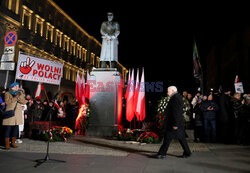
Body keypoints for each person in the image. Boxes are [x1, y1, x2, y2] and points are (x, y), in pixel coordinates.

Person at [156, 86, 191, 159]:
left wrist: (175, 124)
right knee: (181, 138)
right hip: (176, 122)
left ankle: (162, 153)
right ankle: (187, 152)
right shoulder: (177, 97)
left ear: (172, 90)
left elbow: (176, 112)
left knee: (167, 138)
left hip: (174, 123)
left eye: (168, 91)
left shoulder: (175, 98)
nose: (167, 92)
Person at [2, 82, 26, 149]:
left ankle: (13, 143)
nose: (17, 88)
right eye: (15, 86)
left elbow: (23, 102)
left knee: (15, 130)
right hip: (10, 113)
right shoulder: (7, 93)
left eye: (18, 86)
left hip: (17, 114)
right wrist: (16, 97)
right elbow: (7, 102)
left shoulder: (19, 93)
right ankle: (7, 144)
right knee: (8, 129)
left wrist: (20, 95)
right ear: (11, 87)